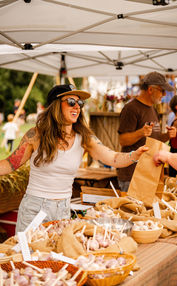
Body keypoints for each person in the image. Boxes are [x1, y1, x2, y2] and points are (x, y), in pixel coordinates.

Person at [0, 84, 148, 233]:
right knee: (29, 255)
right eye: (71, 102)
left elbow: (113, 158)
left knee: (57, 255)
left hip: (63, 209)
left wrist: (134, 155)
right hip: (34, 209)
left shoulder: (84, 138)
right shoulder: (35, 135)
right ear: (55, 106)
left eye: (80, 103)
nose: (77, 107)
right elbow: (10, 164)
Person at [117, 71, 176, 192]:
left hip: (148, 172)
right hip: (132, 174)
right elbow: (122, 140)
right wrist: (140, 132)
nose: (164, 94)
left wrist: (167, 136)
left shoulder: (152, 109)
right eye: (162, 90)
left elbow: (154, 139)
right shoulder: (131, 108)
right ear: (150, 90)